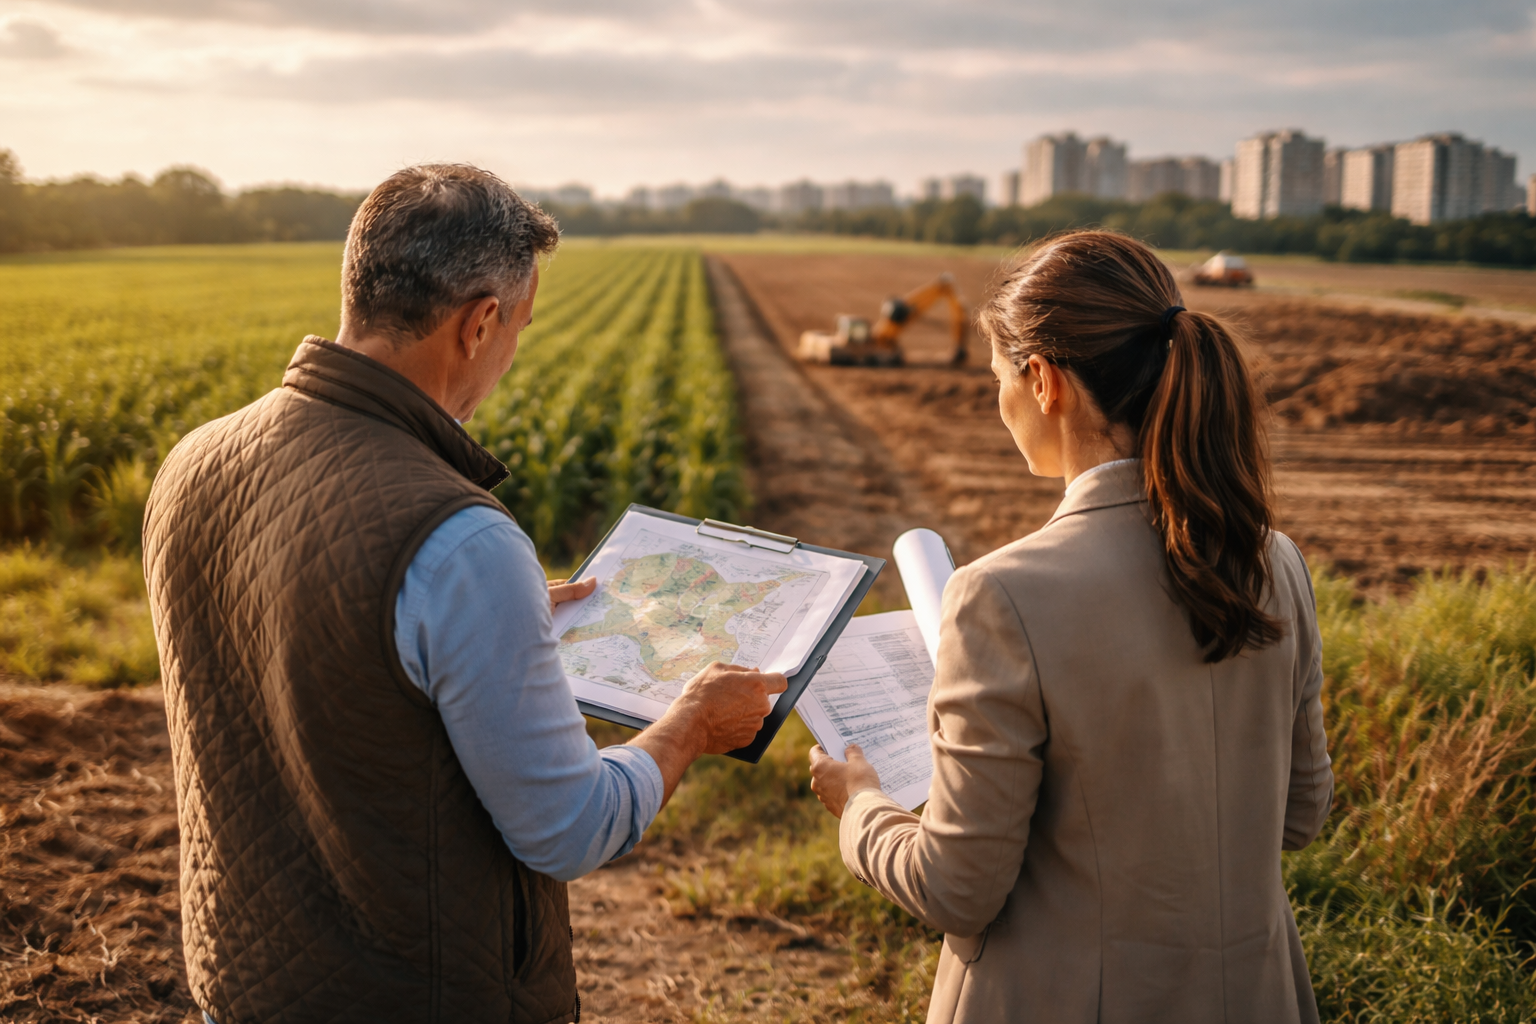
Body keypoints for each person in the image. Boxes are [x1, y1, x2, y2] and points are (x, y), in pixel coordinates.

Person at [143, 164, 785, 1024]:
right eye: (520, 325)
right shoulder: (462, 543)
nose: (513, 350)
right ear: (481, 322)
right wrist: (694, 724)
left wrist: (495, 622)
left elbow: (316, 652)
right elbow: (570, 828)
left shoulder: (192, 461)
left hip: (246, 976)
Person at [808, 230, 1334, 1023]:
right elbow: (1300, 816)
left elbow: (956, 887)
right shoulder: (1277, 562)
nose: (1000, 403)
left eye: (999, 379)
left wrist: (860, 805)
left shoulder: (1002, 596)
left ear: (1045, 381)